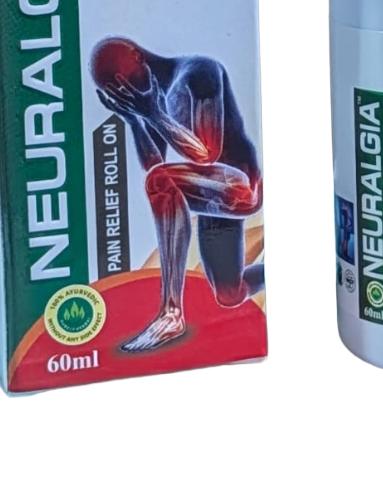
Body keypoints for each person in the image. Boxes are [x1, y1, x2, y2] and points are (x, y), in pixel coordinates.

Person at [91, 37, 264, 352]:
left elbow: (206, 155)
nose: (129, 96)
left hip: (242, 184)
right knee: (230, 294)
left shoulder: (199, 72)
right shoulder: (151, 98)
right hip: (212, 198)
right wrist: (135, 119)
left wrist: (153, 114)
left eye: (127, 87)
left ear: (139, 58)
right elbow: (153, 163)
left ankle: (170, 312)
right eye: (120, 96)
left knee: (161, 181)